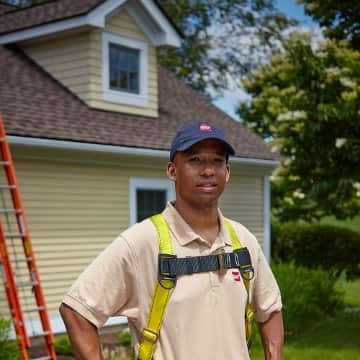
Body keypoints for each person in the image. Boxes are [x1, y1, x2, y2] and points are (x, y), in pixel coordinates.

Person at [59, 121, 284, 360]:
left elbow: (270, 309)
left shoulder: (243, 241)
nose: (208, 170)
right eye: (194, 160)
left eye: (217, 161)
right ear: (172, 171)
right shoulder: (142, 242)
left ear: (227, 173)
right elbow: (76, 311)